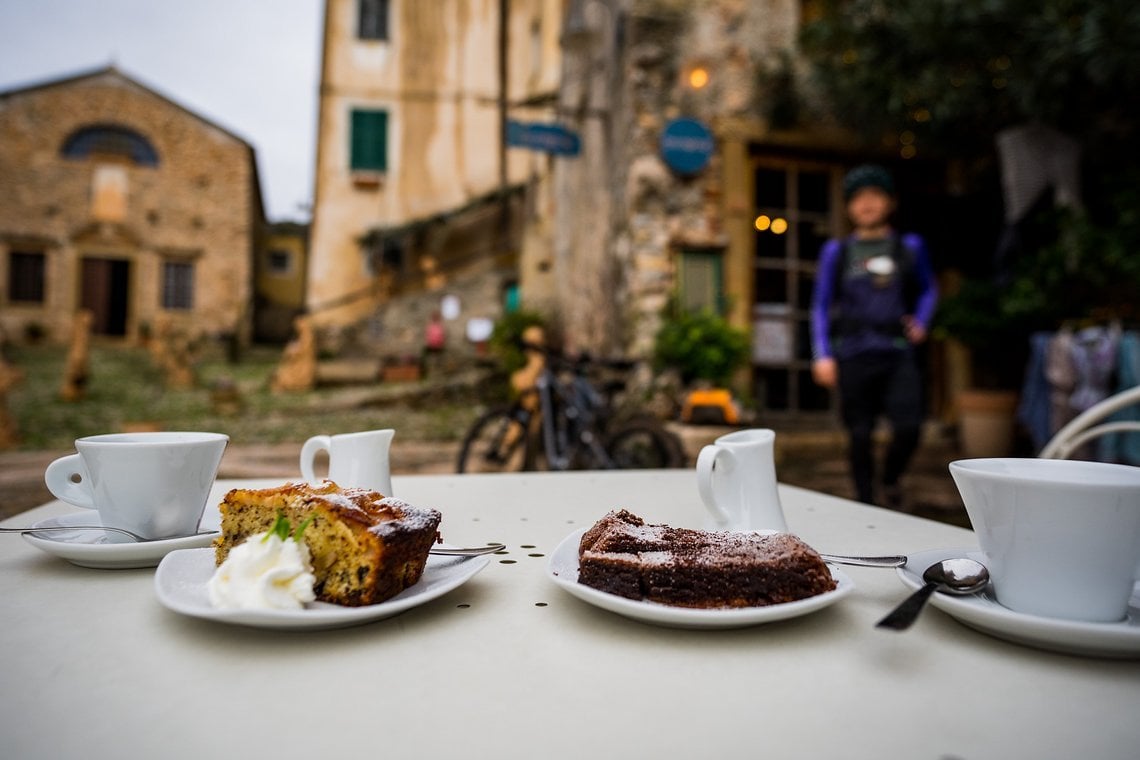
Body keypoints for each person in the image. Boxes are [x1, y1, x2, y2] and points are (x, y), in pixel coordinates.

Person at [809, 164, 938, 508]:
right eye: (858, 197)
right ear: (849, 207)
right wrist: (822, 353)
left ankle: (891, 478)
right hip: (852, 353)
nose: (866, 204)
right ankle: (865, 501)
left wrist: (922, 321)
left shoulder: (908, 247)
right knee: (859, 434)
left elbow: (928, 290)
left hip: (897, 351)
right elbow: (821, 304)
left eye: (874, 195)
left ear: (890, 202)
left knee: (910, 427)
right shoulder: (837, 252)